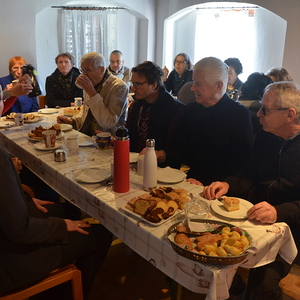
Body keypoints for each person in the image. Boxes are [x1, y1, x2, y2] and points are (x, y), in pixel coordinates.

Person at [0, 92, 113, 300]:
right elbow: (20, 230)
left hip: (10, 233)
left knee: (69, 209)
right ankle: (67, 292)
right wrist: (61, 227)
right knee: (101, 234)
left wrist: (21, 195)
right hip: (11, 260)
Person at [203, 81, 300, 300]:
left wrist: (278, 212)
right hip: (256, 216)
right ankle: (233, 286)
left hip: (292, 225)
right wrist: (229, 184)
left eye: (265, 109)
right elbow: (250, 173)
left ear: (290, 114)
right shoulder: (266, 136)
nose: (258, 114)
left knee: (262, 288)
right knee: (207, 248)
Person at [162, 57, 253, 186]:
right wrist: (163, 155)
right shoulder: (193, 109)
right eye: (194, 82)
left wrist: (209, 184)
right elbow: (180, 147)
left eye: (198, 84)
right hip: (189, 181)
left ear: (218, 86)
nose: (192, 88)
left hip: (219, 188)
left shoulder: (238, 115)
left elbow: (240, 163)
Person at [126, 61, 185, 164]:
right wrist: (117, 140)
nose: (133, 88)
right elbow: (129, 133)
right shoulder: (137, 104)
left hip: (161, 169)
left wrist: (159, 154)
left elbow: (178, 149)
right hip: (135, 161)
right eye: (132, 83)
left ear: (154, 85)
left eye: (138, 84)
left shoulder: (175, 109)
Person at [57, 52, 128, 136]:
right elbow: (88, 112)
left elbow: (108, 123)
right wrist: (73, 121)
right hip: (89, 137)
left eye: (87, 70)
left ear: (101, 69)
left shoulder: (119, 87)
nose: (84, 74)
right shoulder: (91, 82)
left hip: (109, 141)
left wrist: (93, 94)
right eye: (82, 70)